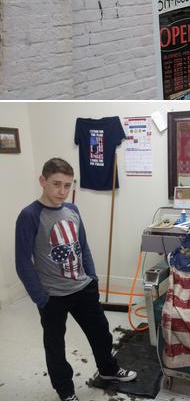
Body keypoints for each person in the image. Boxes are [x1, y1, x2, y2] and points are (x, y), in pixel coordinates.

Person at [15, 158, 137, 401]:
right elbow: (22, 262)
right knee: (55, 347)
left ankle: (108, 370)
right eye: (56, 184)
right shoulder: (29, 215)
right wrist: (41, 298)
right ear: (42, 181)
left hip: (83, 288)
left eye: (67, 185)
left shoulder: (73, 210)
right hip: (53, 297)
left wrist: (92, 278)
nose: (62, 192)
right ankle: (66, 391)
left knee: (101, 332)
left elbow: (83, 246)